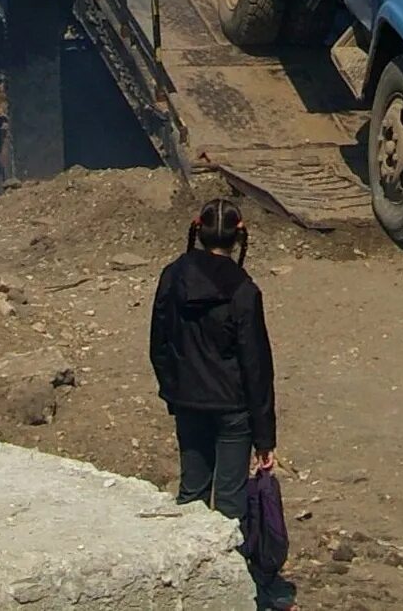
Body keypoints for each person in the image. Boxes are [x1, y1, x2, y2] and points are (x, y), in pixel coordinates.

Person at [148, 200, 283, 555]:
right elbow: (256, 366)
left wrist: (173, 390)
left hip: (188, 401)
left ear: (199, 229)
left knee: (190, 494)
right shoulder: (243, 290)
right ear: (239, 235)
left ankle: (184, 578)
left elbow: (158, 343)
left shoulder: (172, 276)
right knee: (230, 505)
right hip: (232, 408)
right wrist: (265, 437)